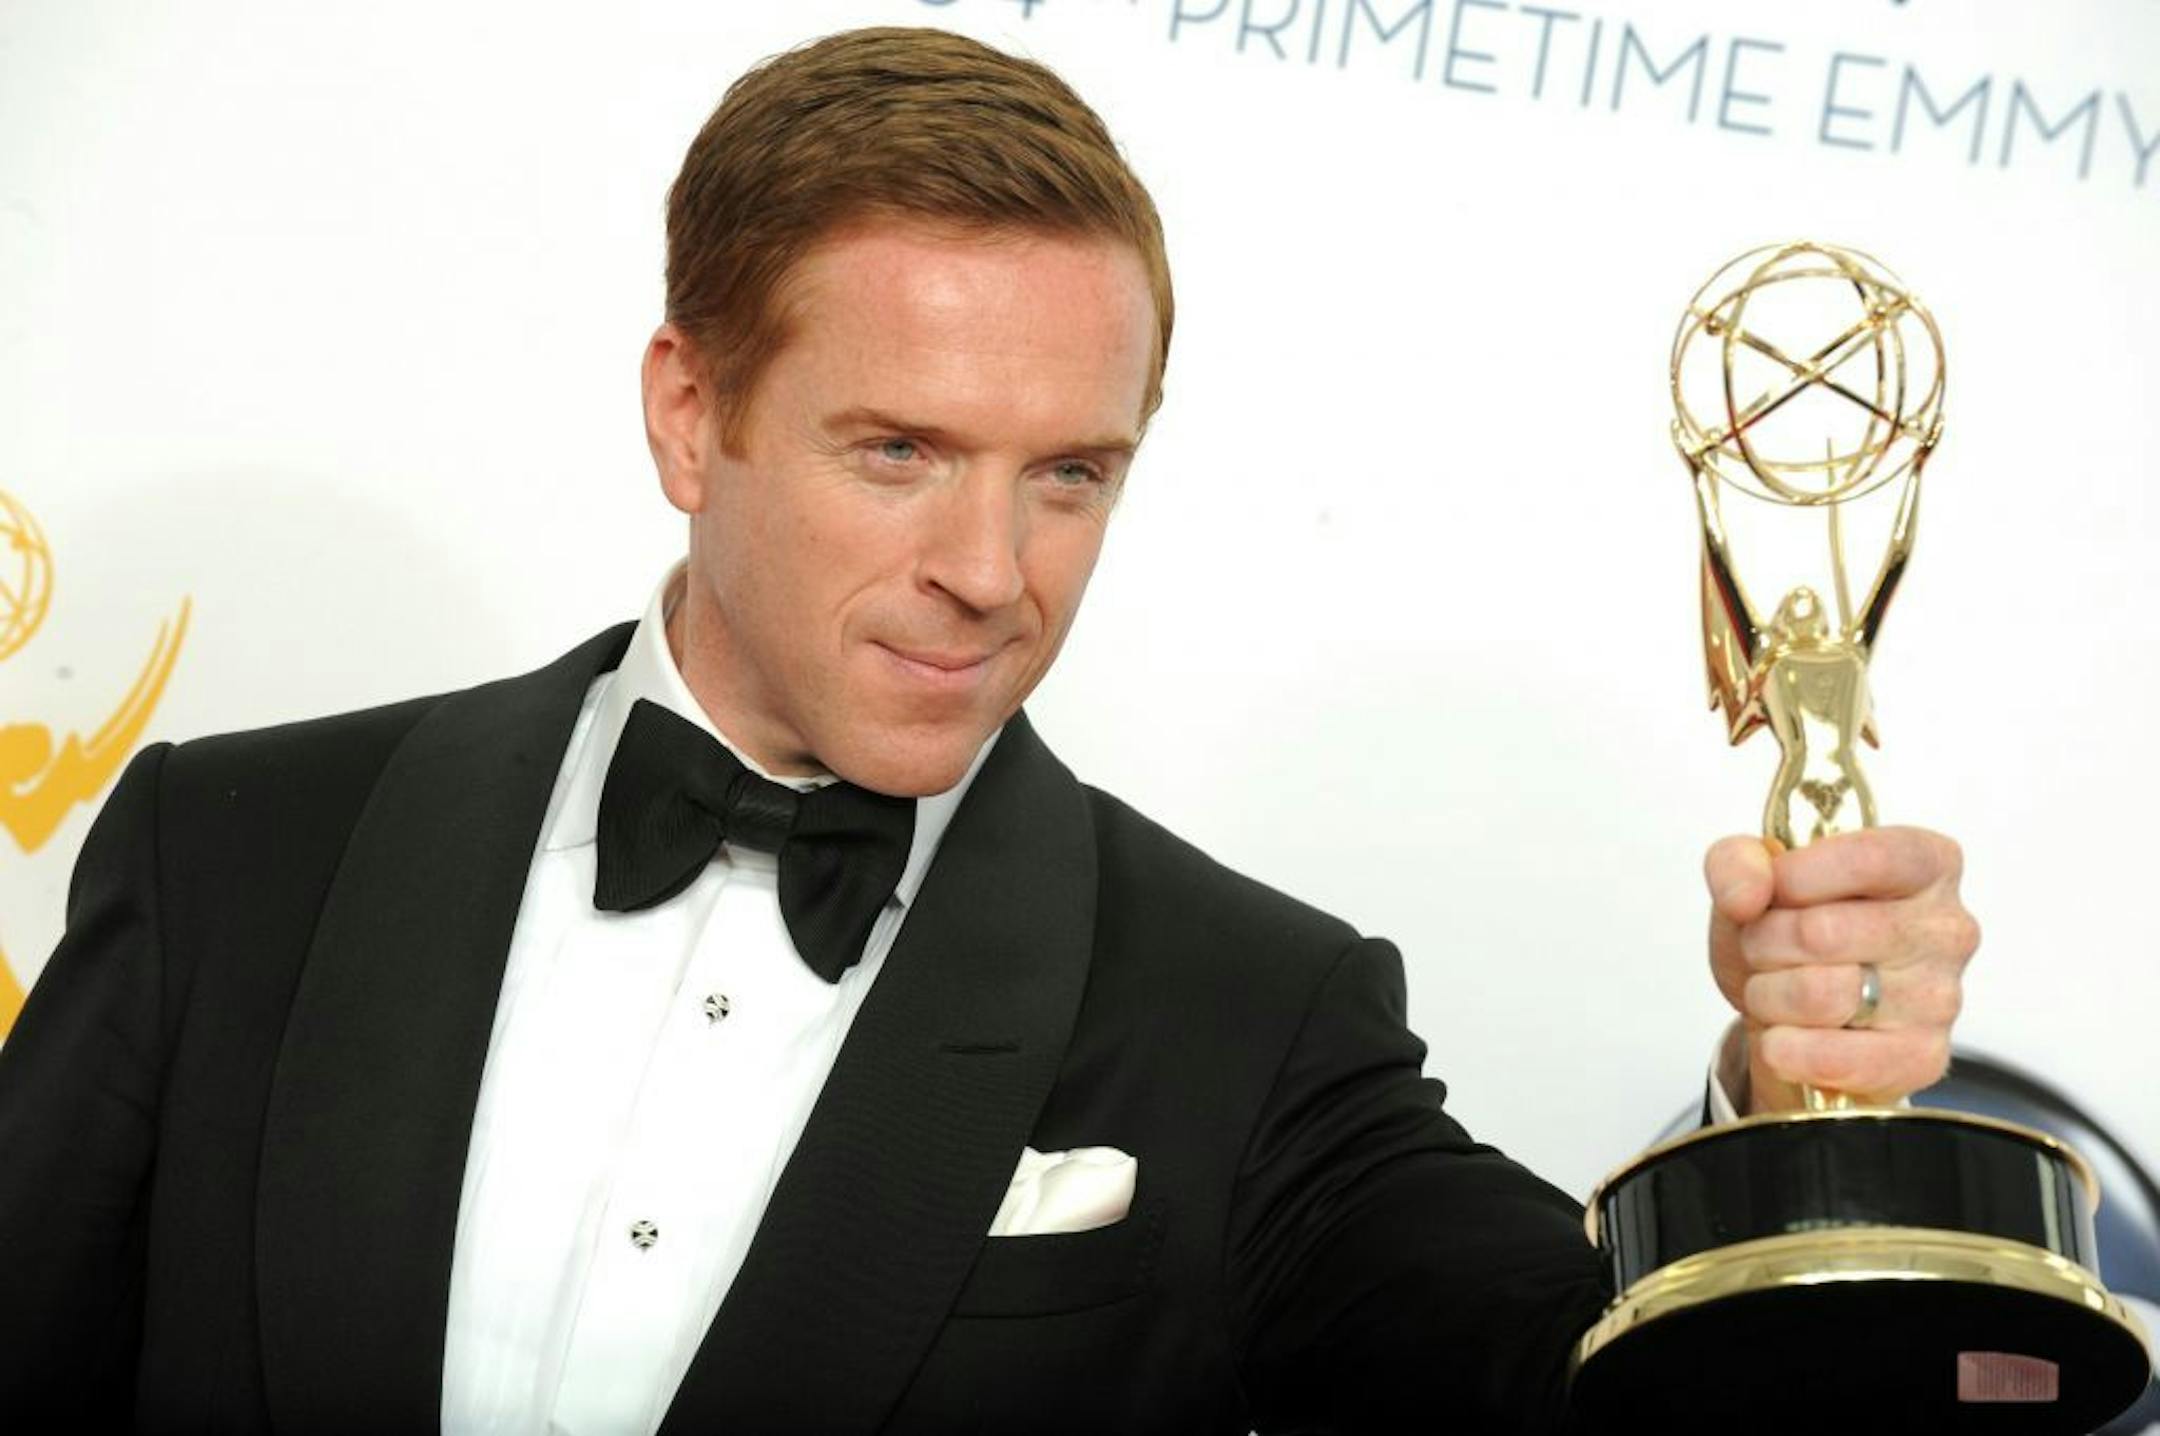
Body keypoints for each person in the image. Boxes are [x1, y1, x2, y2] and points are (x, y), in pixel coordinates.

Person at [0, 26, 1977, 1434]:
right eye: (900, 451)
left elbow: (1574, 1371)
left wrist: (1784, 1112)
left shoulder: (1246, 1007)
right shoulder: (229, 853)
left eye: (1069, 475)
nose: (992, 568)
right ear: (692, 413)